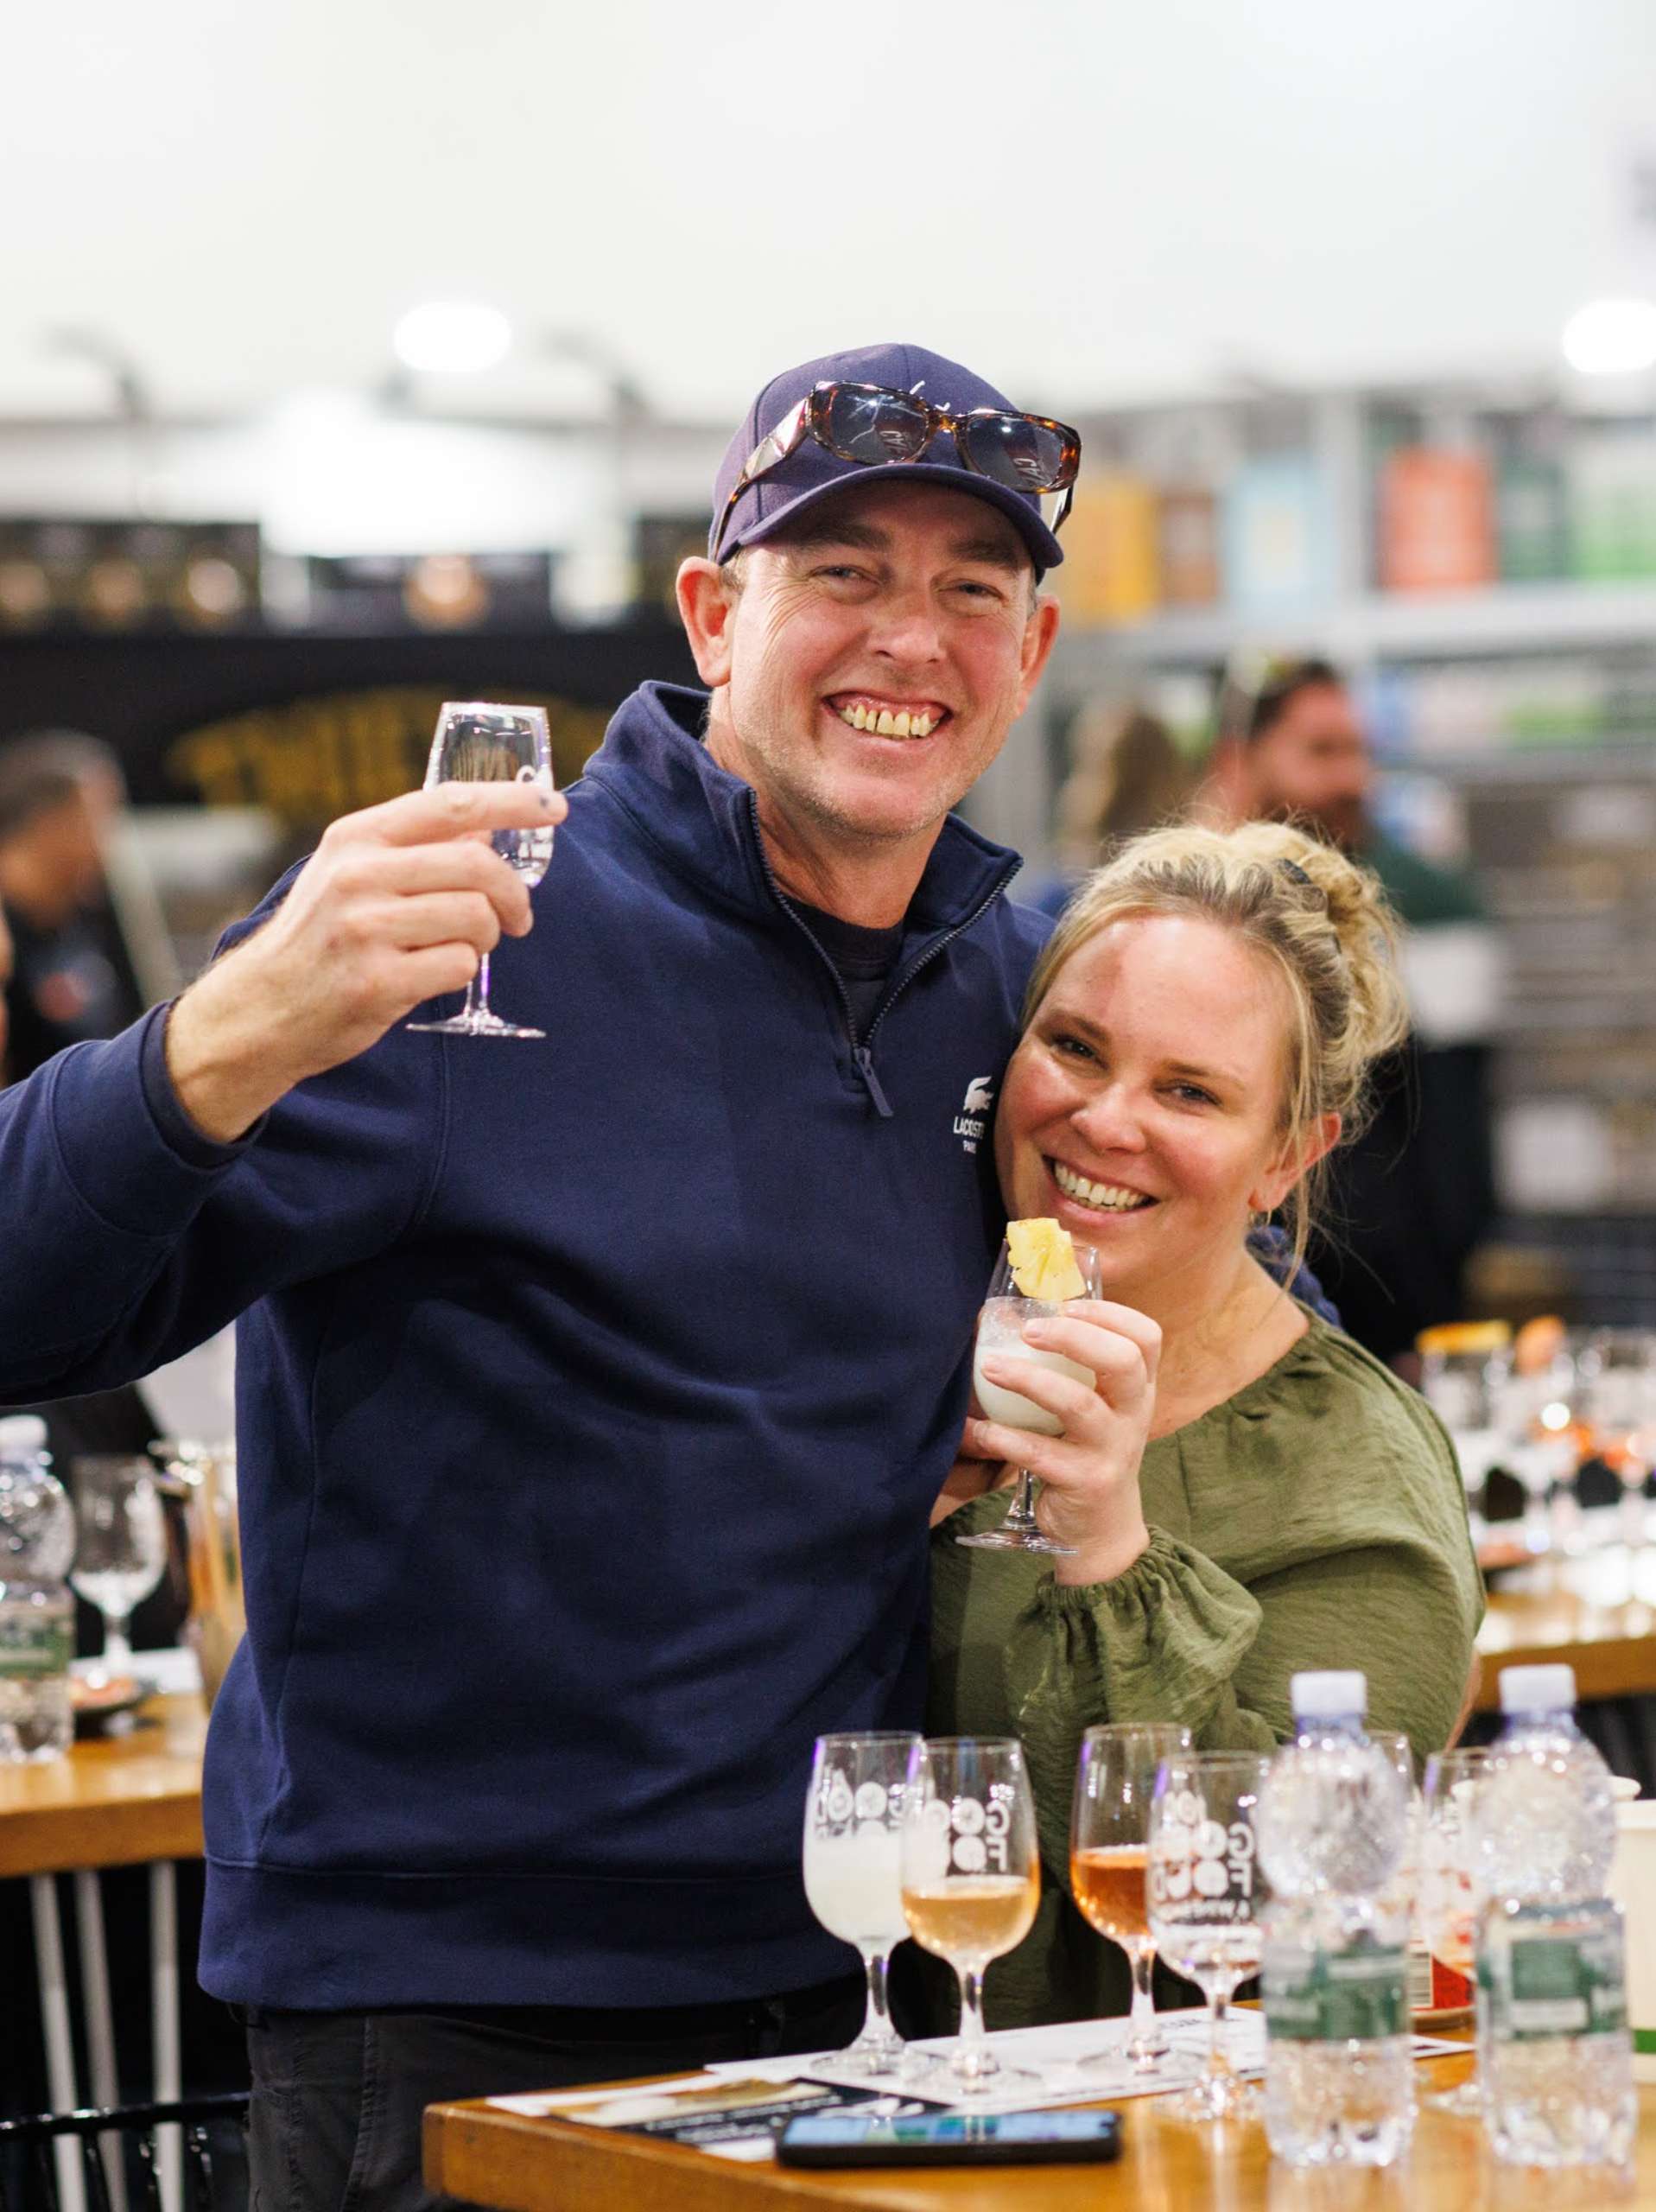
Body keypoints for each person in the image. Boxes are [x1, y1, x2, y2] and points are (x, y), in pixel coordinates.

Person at [0, 342, 1082, 2208]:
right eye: (841, 574)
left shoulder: (1008, 977)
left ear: (1032, 655)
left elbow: (1225, 1301)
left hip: (862, 1983)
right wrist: (217, 1036)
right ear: (711, 611)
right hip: (448, 2001)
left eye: (969, 589)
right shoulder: (459, 920)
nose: (909, 638)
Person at [928, 819, 1484, 2030]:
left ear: (1286, 1156)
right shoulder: (909, 1325)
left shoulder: (1356, 1481)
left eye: (1188, 1090)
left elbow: (1294, 1919)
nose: (1105, 1122)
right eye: (1073, 1048)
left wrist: (1110, 1546)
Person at [1203, 658, 1501, 1365]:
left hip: (1384, 1323)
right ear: (1239, 761)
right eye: (1321, 752)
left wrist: (1426, 1328)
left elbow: (1458, 1147)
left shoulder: (1427, 908)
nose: (1351, 779)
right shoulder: (1179, 914)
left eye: (1359, 752)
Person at [0, 731, 148, 1080]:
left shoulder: (80, 918)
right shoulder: (7, 934)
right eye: (101, 816)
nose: (110, 840)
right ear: (50, 825)